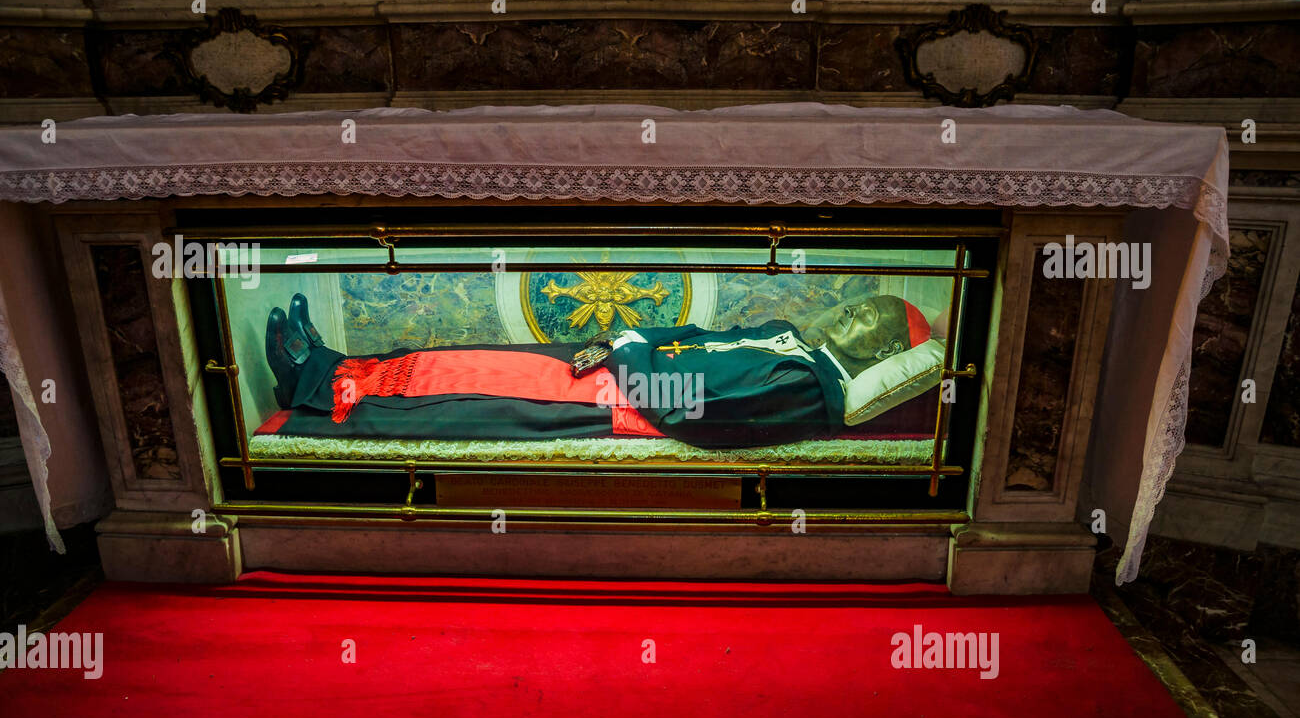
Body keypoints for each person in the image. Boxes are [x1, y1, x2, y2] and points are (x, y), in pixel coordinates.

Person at [263, 291, 932, 449]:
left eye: (872, 323)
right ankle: (326, 364)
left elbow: (690, 411)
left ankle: (311, 394)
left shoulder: (807, 388)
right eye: (861, 308)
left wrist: (630, 352)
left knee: (450, 391)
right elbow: (702, 335)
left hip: (614, 401)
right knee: (457, 359)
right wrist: (626, 334)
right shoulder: (790, 340)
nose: (854, 317)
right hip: (615, 363)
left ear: (880, 352)